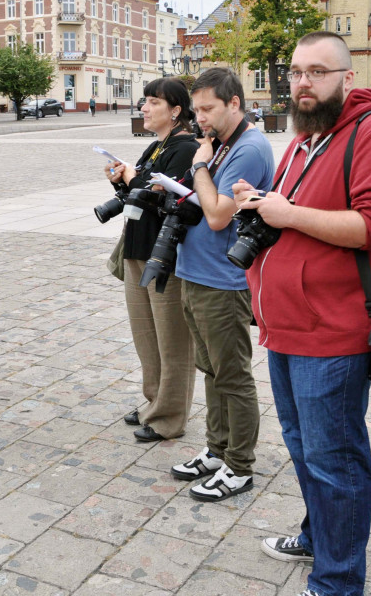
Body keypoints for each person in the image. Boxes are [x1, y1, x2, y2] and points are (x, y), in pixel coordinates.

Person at [233, 32, 371, 596]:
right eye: (295, 72)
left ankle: (337, 581)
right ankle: (318, 536)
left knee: (335, 459)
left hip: (333, 331)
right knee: (303, 446)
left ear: (347, 78)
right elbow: (287, 214)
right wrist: (260, 205)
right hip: (286, 326)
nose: (303, 82)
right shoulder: (306, 139)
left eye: (317, 71)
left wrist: (288, 213)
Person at [168, 68, 275, 502]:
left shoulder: (248, 149)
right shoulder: (221, 145)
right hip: (196, 273)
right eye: (196, 109)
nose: (201, 117)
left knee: (232, 375)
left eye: (208, 108)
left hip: (224, 282)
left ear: (235, 103)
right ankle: (217, 449)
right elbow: (205, 199)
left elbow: (217, 214)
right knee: (212, 370)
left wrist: (196, 165)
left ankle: (240, 465)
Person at [104, 77, 198, 442]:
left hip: (165, 256)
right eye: (145, 101)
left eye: (153, 102)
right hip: (137, 249)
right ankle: (153, 402)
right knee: (146, 336)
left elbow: (171, 203)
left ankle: (170, 416)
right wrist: (122, 182)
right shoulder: (155, 147)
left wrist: (136, 180)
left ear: (175, 110)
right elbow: (139, 197)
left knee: (172, 340)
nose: (144, 108)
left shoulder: (185, 148)